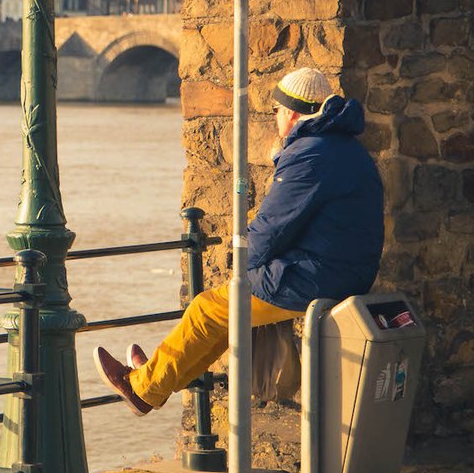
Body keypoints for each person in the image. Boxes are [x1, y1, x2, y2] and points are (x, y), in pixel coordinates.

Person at [95, 67, 385, 416]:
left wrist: (241, 265)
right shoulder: (344, 148)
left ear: (292, 113)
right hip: (340, 271)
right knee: (222, 312)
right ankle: (154, 377)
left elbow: (273, 225)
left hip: (317, 277)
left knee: (207, 309)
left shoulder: (311, 154)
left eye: (276, 111)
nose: (275, 118)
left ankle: (143, 388)